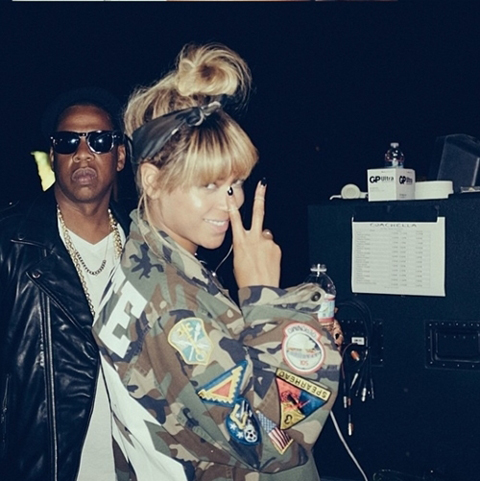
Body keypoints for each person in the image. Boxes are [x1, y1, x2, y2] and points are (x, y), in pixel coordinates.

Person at [93, 43, 343, 481]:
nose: (232, 202)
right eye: (208, 185)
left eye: (236, 182)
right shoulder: (172, 307)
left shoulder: (153, 263)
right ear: (152, 181)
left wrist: (298, 325)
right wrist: (272, 304)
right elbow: (273, 441)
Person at [0, 87, 131, 481]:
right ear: (54, 156)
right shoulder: (10, 244)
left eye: (100, 141)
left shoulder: (148, 247)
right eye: (68, 142)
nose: (83, 153)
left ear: (120, 156)